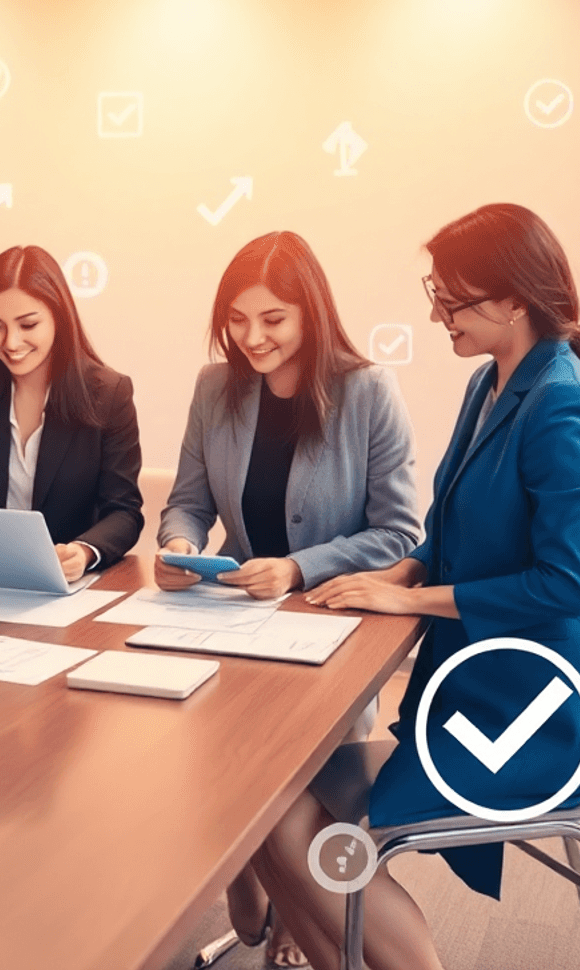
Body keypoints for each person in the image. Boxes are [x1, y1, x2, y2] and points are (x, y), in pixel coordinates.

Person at [258, 204, 580, 970]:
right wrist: (401, 569)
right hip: (489, 678)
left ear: (515, 299)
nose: (435, 313)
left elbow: (561, 586)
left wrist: (409, 600)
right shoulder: (492, 381)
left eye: (452, 297)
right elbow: (453, 532)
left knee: (307, 831)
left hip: (542, 709)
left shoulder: (562, 403)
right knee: (267, 810)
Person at [153, 230, 423, 966]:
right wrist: (179, 544)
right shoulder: (216, 388)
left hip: (328, 631)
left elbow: (399, 533)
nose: (251, 338)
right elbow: (185, 503)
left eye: (272, 319)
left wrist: (299, 568)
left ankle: (295, 917)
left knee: (295, 806)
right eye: (237, 320)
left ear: (311, 312)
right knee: (214, 764)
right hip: (232, 620)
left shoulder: (368, 391)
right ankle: (251, 883)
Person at [0, 245, 144, 577]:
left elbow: (124, 512)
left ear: (58, 318)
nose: (10, 342)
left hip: (68, 585)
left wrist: (82, 552)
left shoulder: (109, 393)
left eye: (27, 325)